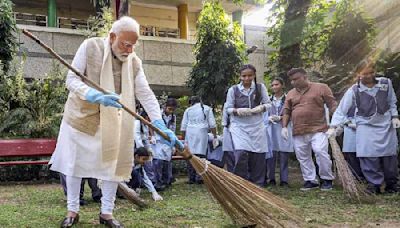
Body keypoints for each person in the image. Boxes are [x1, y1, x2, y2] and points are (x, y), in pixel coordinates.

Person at [49, 16, 182, 227]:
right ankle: (72, 210)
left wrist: (158, 122)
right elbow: (71, 80)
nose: (129, 50)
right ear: (112, 37)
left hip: (112, 121)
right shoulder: (90, 46)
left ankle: (107, 213)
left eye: (133, 46)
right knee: (74, 165)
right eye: (125, 44)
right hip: (81, 117)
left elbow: (145, 93)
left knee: (112, 167)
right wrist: (92, 94)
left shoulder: (134, 62)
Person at [329, 59, 399, 194]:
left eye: (371, 72)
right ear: (358, 74)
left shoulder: (386, 83)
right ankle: (374, 184)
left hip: (385, 124)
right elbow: (341, 110)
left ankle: (392, 184)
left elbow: (392, 102)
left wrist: (395, 117)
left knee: (389, 156)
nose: (368, 76)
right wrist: (333, 126)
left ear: (375, 71)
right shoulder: (354, 90)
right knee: (368, 155)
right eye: (364, 73)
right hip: (366, 126)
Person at [281, 68, 337, 191]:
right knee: (302, 156)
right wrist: (284, 127)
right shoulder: (290, 93)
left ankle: (327, 179)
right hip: (298, 130)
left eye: (296, 79)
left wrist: (335, 124)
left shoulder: (321, 87)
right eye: (291, 80)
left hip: (319, 128)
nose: (293, 82)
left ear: (305, 77)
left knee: (320, 152)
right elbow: (286, 110)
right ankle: (310, 180)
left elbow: (332, 104)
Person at [224, 64, 272, 186]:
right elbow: (228, 108)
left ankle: (258, 183)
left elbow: (268, 104)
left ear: (254, 75)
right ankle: (240, 183)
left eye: (249, 75)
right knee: (240, 153)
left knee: (258, 155)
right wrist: (237, 111)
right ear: (240, 76)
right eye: (244, 76)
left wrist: (260, 108)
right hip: (239, 126)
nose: (247, 79)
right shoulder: (233, 90)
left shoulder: (260, 88)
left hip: (256, 125)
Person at [264, 77, 294, 187]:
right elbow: (264, 114)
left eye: (276, 84)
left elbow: (292, 113)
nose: (274, 87)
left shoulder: (288, 99)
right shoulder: (268, 100)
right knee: (271, 154)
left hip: (284, 127)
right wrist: (268, 118)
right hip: (271, 128)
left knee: (284, 154)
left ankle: (284, 180)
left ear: (282, 85)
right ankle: (271, 178)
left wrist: (281, 118)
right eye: (272, 85)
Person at [181, 96, 217, 184]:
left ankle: (191, 178)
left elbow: (183, 126)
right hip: (202, 133)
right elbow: (212, 124)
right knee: (201, 156)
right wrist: (215, 136)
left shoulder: (188, 110)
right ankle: (200, 177)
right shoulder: (207, 109)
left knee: (190, 156)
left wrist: (183, 139)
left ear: (191, 103)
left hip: (190, 134)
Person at [134, 110, 156, 184]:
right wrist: (143, 151)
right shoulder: (137, 123)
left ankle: (151, 180)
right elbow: (137, 138)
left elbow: (146, 139)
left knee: (148, 162)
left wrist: (149, 149)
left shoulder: (145, 125)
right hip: (136, 148)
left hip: (142, 148)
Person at [222, 102, 235, 172]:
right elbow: (225, 119)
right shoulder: (227, 104)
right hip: (228, 130)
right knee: (229, 154)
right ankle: (231, 173)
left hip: (236, 130)